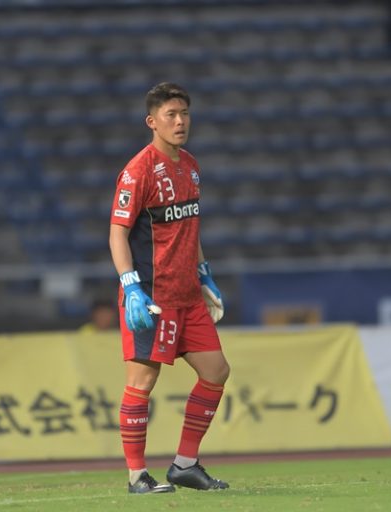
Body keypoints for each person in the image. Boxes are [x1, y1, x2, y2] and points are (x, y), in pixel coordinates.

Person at [109, 82, 231, 494]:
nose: (180, 122)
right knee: (142, 382)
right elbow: (117, 233)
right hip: (152, 296)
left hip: (188, 295)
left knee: (216, 371)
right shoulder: (138, 171)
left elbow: (188, 226)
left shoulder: (191, 166)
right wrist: (131, 287)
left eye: (185, 114)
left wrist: (204, 272)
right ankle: (136, 476)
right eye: (171, 115)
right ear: (152, 121)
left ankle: (184, 464)